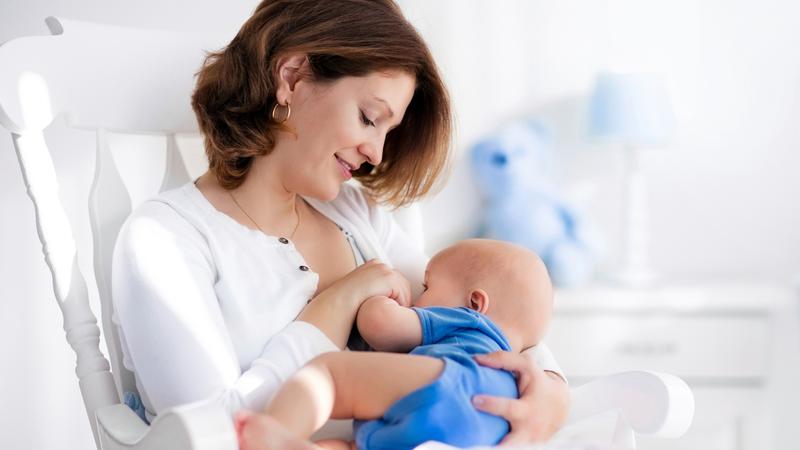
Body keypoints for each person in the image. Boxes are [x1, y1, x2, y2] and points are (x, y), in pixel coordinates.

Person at [111, 0, 569, 445]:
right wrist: (334, 306)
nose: (377, 153)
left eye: (387, 131)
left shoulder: (356, 214)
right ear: (291, 78)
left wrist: (549, 389)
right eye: (369, 118)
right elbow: (208, 434)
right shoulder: (166, 238)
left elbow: (483, 315)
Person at [235, 239, 554, 450]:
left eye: (426, 286)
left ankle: (277, 435)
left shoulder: (466, 321)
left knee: (331, 376)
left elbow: (379, 326)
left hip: (454, 384)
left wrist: (382, 299)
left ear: (474, 302)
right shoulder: (513, 374)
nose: (418, 296)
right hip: (490, 430)